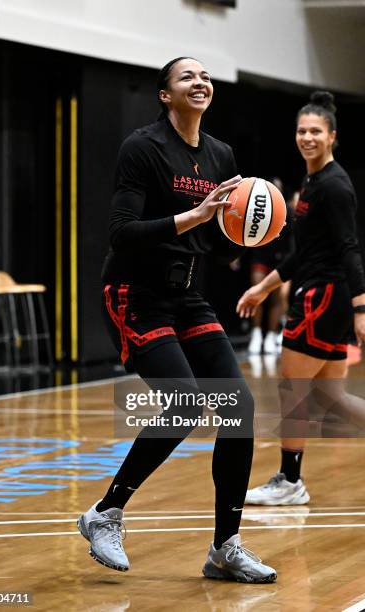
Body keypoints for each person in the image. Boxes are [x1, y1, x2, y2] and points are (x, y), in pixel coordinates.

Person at [77, 57, 276, 583]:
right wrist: (196, 215)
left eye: (206, 76)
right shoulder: (142, 148)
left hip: (187, 295)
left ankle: (225, 547)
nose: (200, 81)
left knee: (238, 407)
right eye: (187, 76)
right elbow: (122, 231)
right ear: (165, 95)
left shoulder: (220, 154)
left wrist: (249, 230)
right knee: (185, 403)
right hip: (133, 293)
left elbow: (210, 239)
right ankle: (106, 513)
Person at [237, 91, 365, 505]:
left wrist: (361, 308)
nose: (307, 137)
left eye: (316, 131)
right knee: (331, 397)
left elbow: (349, 248)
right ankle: (291, 480)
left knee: (293, 390)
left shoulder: (335, 187)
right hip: (321, 292)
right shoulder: (311, 184)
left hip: (322, 297)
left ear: (332, 137)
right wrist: (263, 287)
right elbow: (300, 254)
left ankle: (290, 481)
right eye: (301, 130)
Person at [247, 177, 294, 355]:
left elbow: (293, 240)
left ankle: (272, 335)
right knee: (256, 292)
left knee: (278, 298)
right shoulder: (257, 207)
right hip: (261, 256)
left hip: (282, 258)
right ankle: (257, 333)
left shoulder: (288, 211)